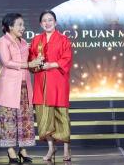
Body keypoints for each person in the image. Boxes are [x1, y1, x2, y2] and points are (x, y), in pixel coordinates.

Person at [0, 13, 43, 164]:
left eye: (23, 25)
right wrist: (28, 64)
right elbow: (7, 62)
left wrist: (37, 63)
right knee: (9, 119)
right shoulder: (3, 41)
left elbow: (29, 63)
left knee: (25, 119)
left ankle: (23, 150)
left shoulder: (24, 42)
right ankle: (10, 151)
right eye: (20, 25)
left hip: (25, 86)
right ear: (10, 27)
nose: (23, 28)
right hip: (10, 86)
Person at [29, 10, 72, 162]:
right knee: (43, 118)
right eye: (44, 21)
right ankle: (51, 147)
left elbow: (66, 59)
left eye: (50, 20)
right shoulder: (36, 40)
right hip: (41, 82)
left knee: (61, 116)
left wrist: (51, 64)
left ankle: (66, 149)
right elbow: (31, 61)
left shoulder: (63, 39)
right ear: (41, 24)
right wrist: (37, 63)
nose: (47, 23)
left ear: (55, 22)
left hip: (58, 82)